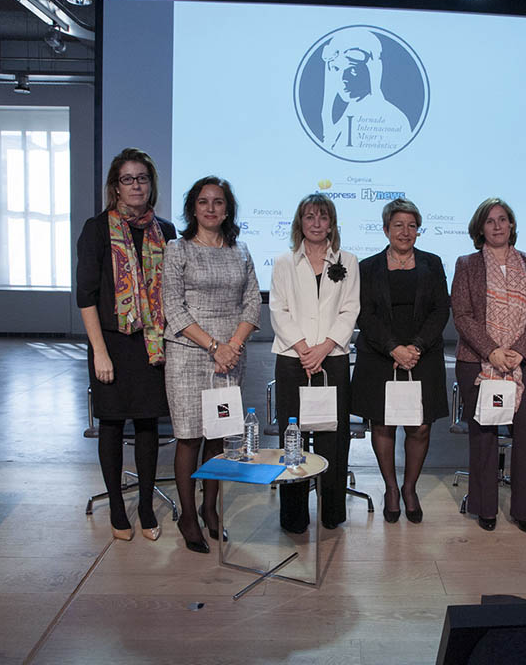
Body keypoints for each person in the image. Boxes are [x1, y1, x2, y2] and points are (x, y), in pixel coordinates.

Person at [76, 147, 176, 542]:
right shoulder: (97, 228)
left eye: (142, 178)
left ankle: (147, 506)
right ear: (115, 187)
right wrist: (99, 351)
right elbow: (86, 294)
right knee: (113, 424)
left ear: (151, 185)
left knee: (149, 423)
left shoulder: (165, 231)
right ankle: (119, 509)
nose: (136, 185)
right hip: (112, 344)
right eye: (128, 179)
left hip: (151, 343)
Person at [163, 176, 260, 554]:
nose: (210, 208)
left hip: (230, 357)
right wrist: (214, 346)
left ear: (227, 209)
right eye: (203, 202)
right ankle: (188, 514)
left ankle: (210, 508)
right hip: (189, 354)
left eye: (218, 202)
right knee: (188, 436)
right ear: (193, 208)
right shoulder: (178, 250)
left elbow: (252, 303)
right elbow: (173, 307)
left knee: (218, 436)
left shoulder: (241, 251)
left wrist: (231, 346)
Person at [351, 198, 450, 524]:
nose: (405, 232)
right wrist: (394, 348)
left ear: (418, 230)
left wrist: (416, 347)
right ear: (385, 229)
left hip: (424, 354)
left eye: (411, 226)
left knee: (420, 426)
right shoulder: (367, 267)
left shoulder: (433, 263)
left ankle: (410, 488)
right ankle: (390, 489)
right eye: (398, 225)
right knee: (382, 423)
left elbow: (440, 310)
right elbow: (365, 314)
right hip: (381, 355)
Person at [450, 198, 526, 533]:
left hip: (522, 362)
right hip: (478, 362)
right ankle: (485, 507)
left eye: (503, 219)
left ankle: (522, 510)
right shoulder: (466, 264)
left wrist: (519, 351)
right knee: (484, 434)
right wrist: (492, 351)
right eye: (490, 221)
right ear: (480, 228)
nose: (497, 226)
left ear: (512, 225)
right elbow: (462, 315)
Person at [269, 193, 360, 532]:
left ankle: (332, 512)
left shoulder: (348, 261)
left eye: (323, 217)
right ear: (300, 223)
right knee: (293, 438)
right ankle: (293, 516)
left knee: (332, 438)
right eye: (310, 217)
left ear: (332, 224)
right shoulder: (283, 262)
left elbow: (350, 309)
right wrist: (305, 348)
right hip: (293, 359)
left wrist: (323, 348)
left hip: (332, 359)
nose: (317, 223)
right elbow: (278, 309)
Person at [320, 28, 412, 156]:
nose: (343, 79)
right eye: (336, 69)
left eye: (352, 70)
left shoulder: (395, 120)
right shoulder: (346, 113)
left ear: (371, 71)